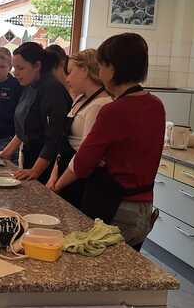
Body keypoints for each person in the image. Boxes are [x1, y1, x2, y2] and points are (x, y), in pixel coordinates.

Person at [69, 33, 165, 250]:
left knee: (102, 275)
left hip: (117, 208)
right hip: (144, 208)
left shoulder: (113, 110)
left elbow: (82, 165)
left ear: (112, 68)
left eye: (101, 67)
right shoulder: (155, 104)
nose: (100, 74)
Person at [46, 49, 112, 208]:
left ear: (85, 70)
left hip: (80, 181)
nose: (67, 78)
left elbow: (85, 155)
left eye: (70, 72)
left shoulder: (100, 105)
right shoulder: (80, 99)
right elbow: (64, 144)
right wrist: (53, 176)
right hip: (64, 175)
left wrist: (58, 185)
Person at [0, 42, 71, 185]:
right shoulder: (29, 85)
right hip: (30, 156)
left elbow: (54, 138)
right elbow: (24, 127)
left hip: (49, 165)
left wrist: (35, 171)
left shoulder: (52, 90)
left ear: (37, 66)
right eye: (14, 68)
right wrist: (4, 154)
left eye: (20, 68)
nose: (15, 72)